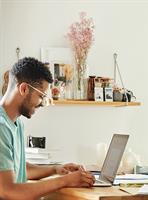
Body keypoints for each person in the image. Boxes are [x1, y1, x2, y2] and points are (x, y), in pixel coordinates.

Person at [0, 57, 95, 200]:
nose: (42, 103)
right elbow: (8, 191)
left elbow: (17, 168)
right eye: (40, 96)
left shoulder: (16, 123)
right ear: (24, 89)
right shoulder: (2, 127)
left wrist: (56, 169)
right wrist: (66, 181)